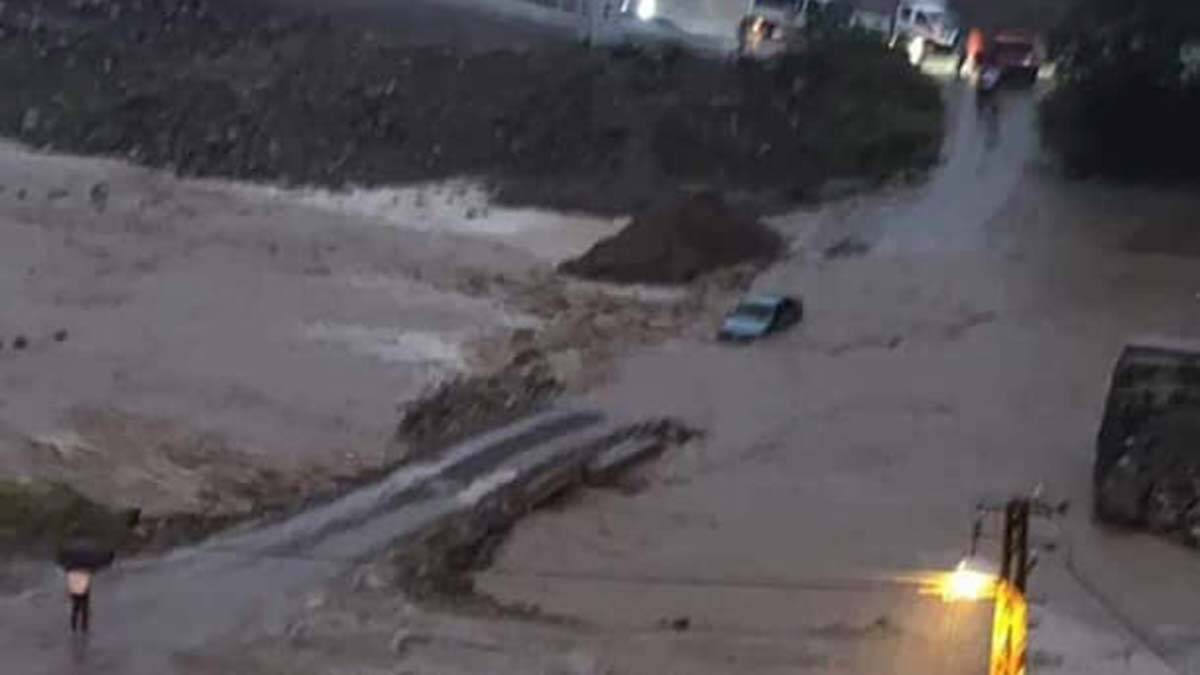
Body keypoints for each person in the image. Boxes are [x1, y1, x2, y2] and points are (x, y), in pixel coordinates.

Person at [66, 566, 93, 633]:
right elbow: (88, 582)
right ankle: (84, 626)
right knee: (84, 609)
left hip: (75, 592)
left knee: (75, 609)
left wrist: (71, 591)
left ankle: (73, 626)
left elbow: (70, 583)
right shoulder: (85, 571)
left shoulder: (71, 572)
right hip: (84, 591)